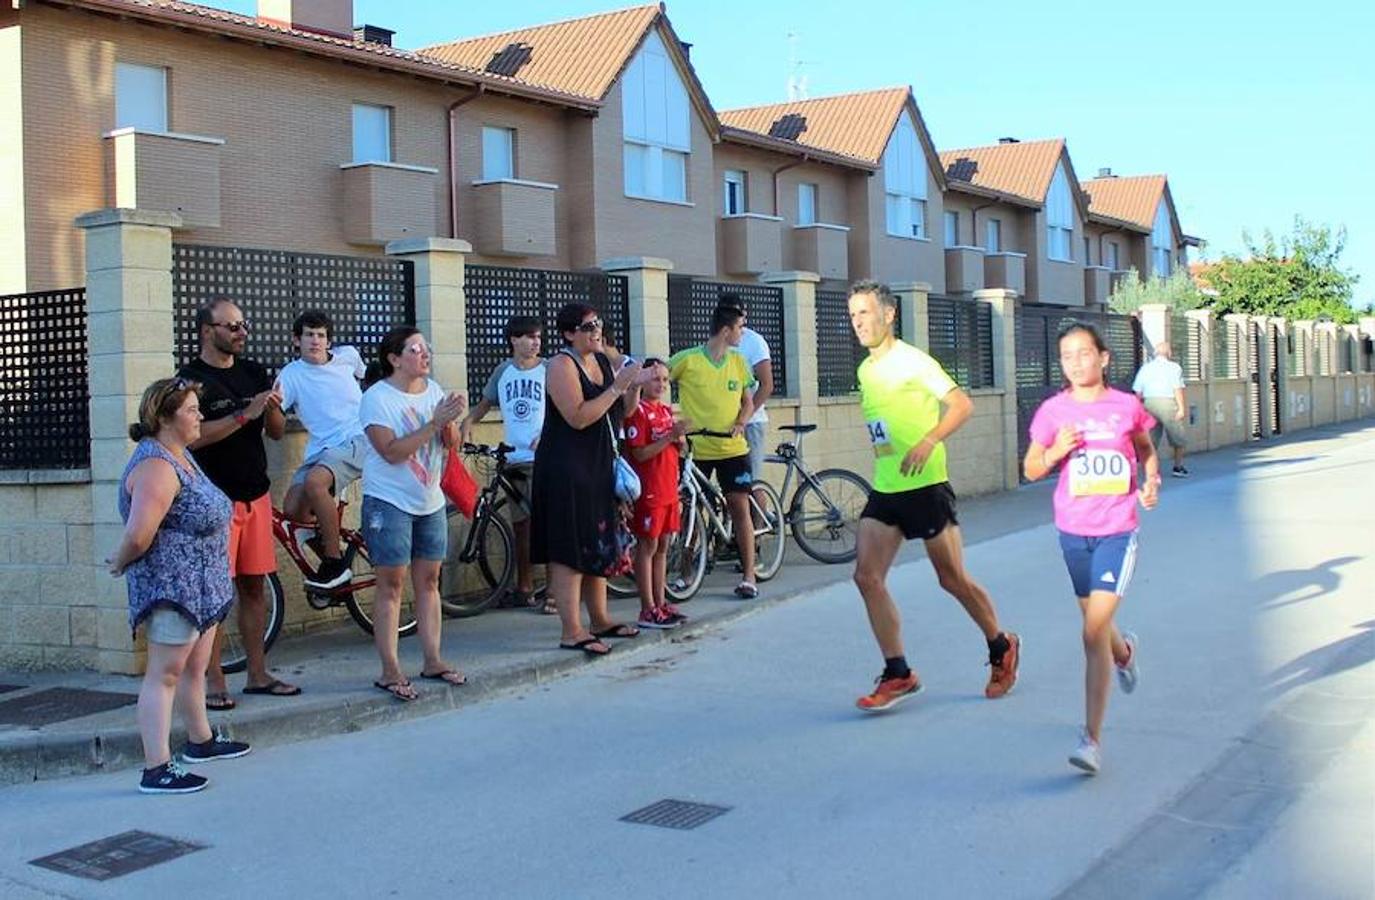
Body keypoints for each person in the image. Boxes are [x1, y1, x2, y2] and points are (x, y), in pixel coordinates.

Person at [846, 280, 1021, 712]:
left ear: (889, 315)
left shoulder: (914, 362)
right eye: (853, 316)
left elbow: (961, 405)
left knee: (952, 579)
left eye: (865, 313)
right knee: (866, 578)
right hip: (887, 485)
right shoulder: (865, 371)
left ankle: (1001, 646)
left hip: (926, 485)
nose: (859, 323)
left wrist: (928, 440)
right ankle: (898, 672)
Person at [1025, 321, 1158, 774]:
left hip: (1117, 530)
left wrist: (1152, 479)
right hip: (1072, 531)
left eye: (1084, 353)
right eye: (1067, 356)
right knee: (1097, 626)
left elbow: (1144, 448)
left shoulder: (1126, 406)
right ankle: (1125, 654)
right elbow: (1029, 470)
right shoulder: (1053, 412)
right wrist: (1053, 451)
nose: (1076, 362)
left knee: (1090, 632)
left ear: (1103, 358)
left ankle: (1091, 740)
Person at [110, 378, 251, 794]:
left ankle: (200, 741)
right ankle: (156, 767)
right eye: (191, 410)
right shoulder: (156, 467)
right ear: (165, 418)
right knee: (164, 673)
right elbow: (139, 535)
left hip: (201, 587)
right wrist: (119, 563)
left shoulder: (181, 456)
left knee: (194, 667)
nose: (200, 417)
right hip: (172, 589)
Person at [179, 297, 298, 708]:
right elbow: (194, 436)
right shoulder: (189, 380)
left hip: (256, 493)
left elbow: (277, 433)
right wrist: (246, 414)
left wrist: (274, 410)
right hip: (215, 500)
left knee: (254, 586)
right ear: (206, 331)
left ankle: (258, 674)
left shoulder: (254, 372)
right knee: (215, 593)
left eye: (243, 325)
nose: (241, 332)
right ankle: (213, 681)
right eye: (231, 326)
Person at [532, 304, 651, 657]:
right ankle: (572, 630)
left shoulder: (600, 361)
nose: (596, 331)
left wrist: (632, 388)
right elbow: (579, 416)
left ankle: (599, 618)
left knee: (599, 539)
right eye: (587, 327)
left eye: (598, 324)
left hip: (598, 466)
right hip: (566, 467)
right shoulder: (559, 365)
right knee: (570, 547)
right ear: (569, 333)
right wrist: (617, 387)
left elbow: (621, 412)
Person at [359, 326, 468, 701]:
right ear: (394, 358)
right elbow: (390, 450)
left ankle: (433, 659)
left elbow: (449, 445)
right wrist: (434, 422)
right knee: (391, 585)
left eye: (427, 349)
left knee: (430, 582)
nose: (426, 355)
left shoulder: (433, 391)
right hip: (389, 501)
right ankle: (390, 669)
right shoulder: (377, 398)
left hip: (429, 501)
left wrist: (450, 421)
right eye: (417, 349)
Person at [669, 304, 760, 599]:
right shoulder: (687, 360)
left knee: (738, 505)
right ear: (726, 330)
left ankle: (749, 576)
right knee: (689, 513)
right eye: (740, 328)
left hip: (732, 448)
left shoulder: (739, 362)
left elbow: (747, 401)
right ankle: (685, 573)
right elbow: (655, 381)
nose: (742, 333)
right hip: (697, 449)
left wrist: (742, 421)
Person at [275, 310, 368, 591]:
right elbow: (276, 423)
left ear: (329, 341)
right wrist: (270, 409)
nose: (315, 341)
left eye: (321, 336)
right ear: (296, 340)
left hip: (357, 439)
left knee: (316, 482)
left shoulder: (348, 356)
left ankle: (334, 563)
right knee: (293, 509)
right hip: (321, 449)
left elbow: (368, 379)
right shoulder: (290, 375)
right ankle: (334, 550)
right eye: (309, 335)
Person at [460, 315, 546, 609]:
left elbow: (563, 407)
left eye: (538, 337)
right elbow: (484, 404)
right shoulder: (503, 372)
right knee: (521, 526)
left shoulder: (548, 370)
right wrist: (468, 423)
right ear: (513, 340)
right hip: (512, 457)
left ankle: (555, 589)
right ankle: (525, 585)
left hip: (542, 459)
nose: (535, 342)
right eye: (529, 337)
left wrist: (547, 434)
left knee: (545, 523)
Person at [624, 358, 690, 630]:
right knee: (647, 546)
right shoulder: (638, 412)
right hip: (649, 491)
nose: (660, 384)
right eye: (655, 378)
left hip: (668, 490)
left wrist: (680, 439)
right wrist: (667, 439)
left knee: (663, 546)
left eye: (664, 379)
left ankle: (661, 603)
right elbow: (639, 453)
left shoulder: (665, 411)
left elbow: (679, 451)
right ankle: (646, 608)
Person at [720, 297, 776, 501]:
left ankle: (759, 530)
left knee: (751, 482)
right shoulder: (719, 341)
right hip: (724, 423)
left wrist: (745, 417)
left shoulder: (754, 341)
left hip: (751, 423)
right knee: (732, 484)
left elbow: (767, 385)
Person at [1132, 341, 1190, 477]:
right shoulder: (1174, 367)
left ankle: (1150, 468)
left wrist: (1138, 407)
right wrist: (1181, 408)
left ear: (1155, 353)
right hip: (1168, 402)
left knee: (1151, 438)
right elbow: (1177, 388)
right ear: (1169, 353)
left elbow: (1138, 391)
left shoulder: (1146, 368)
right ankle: (1178, 466)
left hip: (1149, 403)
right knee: (1178, 437)